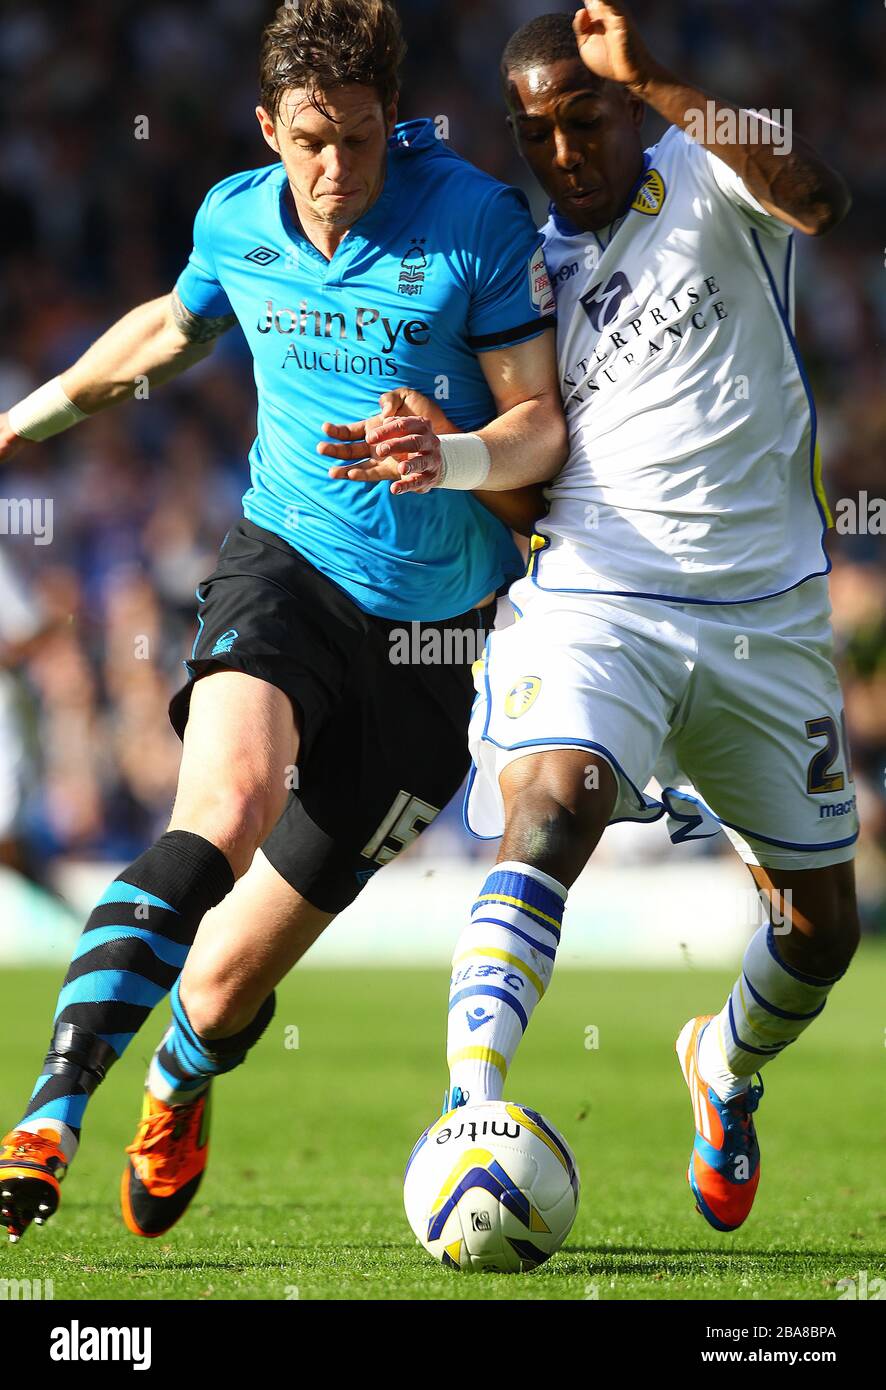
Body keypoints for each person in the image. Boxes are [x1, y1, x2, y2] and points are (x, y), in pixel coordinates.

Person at [0, 0, 566, 1243]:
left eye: (359, 141)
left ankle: (177, 1081)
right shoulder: (234, 217)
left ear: (389, 128)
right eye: (310, 141)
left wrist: (455, 451)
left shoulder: (472, 219)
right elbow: (164, 333)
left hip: (433, 640)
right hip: (285, 568)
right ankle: (53, 1103)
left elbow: (540, 425)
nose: (334, 171)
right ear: (269, 127)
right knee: (220, 811)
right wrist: (17, 426)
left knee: (220, 981)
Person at [440, 1, 857, 1235]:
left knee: (822, 933)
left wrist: (659, 77)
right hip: (595, 599)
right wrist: (450, 453)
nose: (565, 151)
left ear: (626, 104)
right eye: (537, 132)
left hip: (764, 615)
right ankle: (471, 1104)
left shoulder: (705, 168)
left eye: (586, 116)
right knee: (552, 801)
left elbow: (820, 197)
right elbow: (521, 472)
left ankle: (721, 1069)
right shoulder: (513, 272)